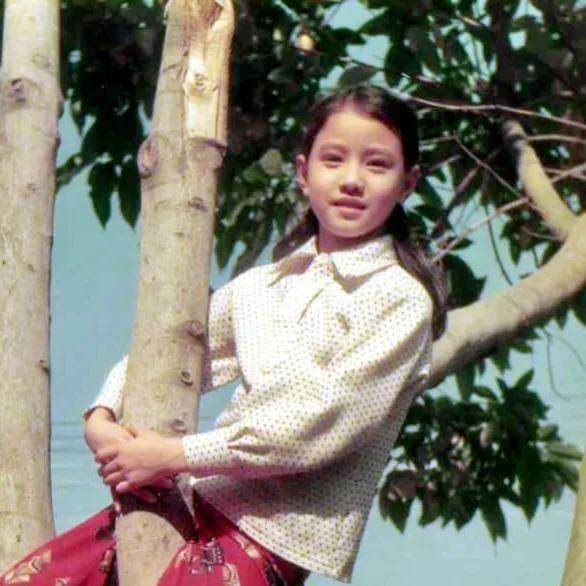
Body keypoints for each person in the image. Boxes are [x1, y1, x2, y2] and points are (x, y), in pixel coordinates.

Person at [1, 84, 448, 586]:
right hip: (188, 496)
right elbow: (174, 350)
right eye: (334, 159)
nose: (351, 180)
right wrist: (101, 417)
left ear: (408, 183)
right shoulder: (263, 286)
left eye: (377, 165)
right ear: (303, 173)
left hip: (269, 537)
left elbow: (316, 427)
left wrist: (172, 455)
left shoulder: (400, 300)